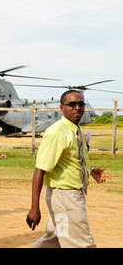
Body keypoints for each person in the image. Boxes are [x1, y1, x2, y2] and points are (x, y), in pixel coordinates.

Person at [26, 89, 111, 248]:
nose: (77, 107)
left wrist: (91, 170)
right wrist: (34, 207)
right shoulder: (57, 133)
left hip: (66, 196)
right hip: (66, 198)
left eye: (81, 104)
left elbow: (71, 160)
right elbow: (40, 170)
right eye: (72, 104)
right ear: (61, 107)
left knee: (55, 240)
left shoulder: (76, 130)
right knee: (83, 244)